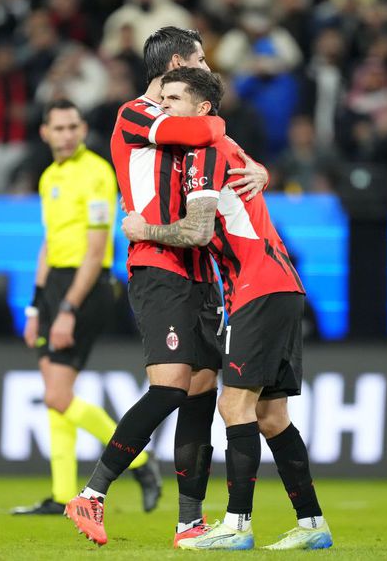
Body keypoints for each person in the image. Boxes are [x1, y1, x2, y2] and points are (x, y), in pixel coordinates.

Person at [65, 27, 268, 547]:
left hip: (201, 269)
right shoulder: (137, 113)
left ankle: (188, 522)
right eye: (200, 58)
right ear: (178, 62)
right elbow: (203, 134)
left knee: (200, 393)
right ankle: (93, 492)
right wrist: (220, 127)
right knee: (172, 385)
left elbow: (223, 149)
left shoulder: (185, 114)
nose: (209, 64)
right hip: (158, 262)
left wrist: (257, 168)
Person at [121, 67, 332, 551]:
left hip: (256, 288)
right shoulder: (227, 149)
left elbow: (196, 231)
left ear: (202, 110)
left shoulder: (204, 152)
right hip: (283, 285)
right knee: (272, 415)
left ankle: (236, 525)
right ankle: (312, 525)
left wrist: (143, 230)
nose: (163, 105)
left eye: (173, 98)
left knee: (233, 404)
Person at [13, 98, 161, 516]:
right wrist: (34, 306)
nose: (66, 134)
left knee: (58, 395)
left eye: (72, 126)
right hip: (56, 284)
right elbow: (48, 242)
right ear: (44, 132)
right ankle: (62, 494)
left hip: (86, 285)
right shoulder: (47, 177)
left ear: (81, 129)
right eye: (57, 128)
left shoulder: (97, 173)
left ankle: (142, 462)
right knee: (56, 395)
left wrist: (67, 308)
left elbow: (97, 251)